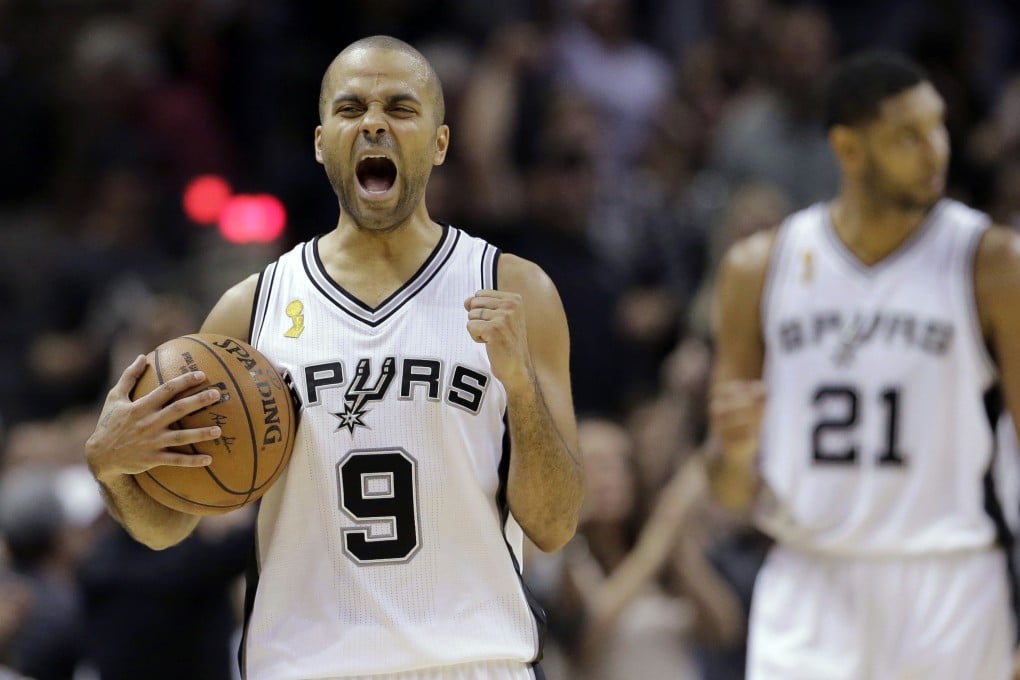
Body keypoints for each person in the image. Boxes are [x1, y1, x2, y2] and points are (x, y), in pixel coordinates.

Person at [83, 35, 584, 680]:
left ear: (439, 143)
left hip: (474, 663)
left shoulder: (517, 291)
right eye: (351, 109)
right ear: (322, 143)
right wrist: (113, 466)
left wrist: (520, 386)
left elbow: (557, 524)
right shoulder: (249, 312)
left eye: (400, 107)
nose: (374, 122)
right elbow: (168, 527)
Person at [708, 50, 1020, 679]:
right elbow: (728, 489)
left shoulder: (991, 264)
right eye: (907, 135)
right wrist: (736, 453)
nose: (936, 150)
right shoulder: (757, 269)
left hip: (950, 581)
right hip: (807, 578)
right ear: (848, 150)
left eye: (938, 127)